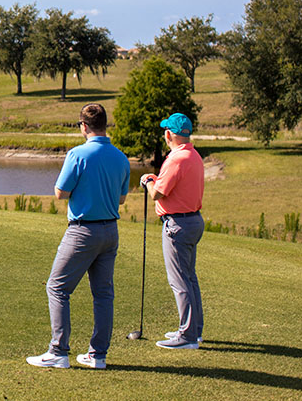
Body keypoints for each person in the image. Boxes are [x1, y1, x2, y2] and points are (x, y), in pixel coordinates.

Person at [27, 103, 130, 370]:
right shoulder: (120, 157)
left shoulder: (77, 155)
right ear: (105, 125)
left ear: (83, 126)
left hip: (83, 231)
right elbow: (120, 199)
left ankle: (58, 352)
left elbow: (61, 192)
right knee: (103, 294)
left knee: (57, 287)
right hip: (110, 231)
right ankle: (98, 355)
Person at [140, 112, 205, 349]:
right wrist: (156, 179)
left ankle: (187, 336)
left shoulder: (176, 158)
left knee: (179, 281)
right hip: (193, 221)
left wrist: (148, 181)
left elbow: (158, 193)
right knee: (189, 278)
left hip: (178, 224)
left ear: (169, 134)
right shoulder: (193, 155)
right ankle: (194, 330)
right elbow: (174, 186)